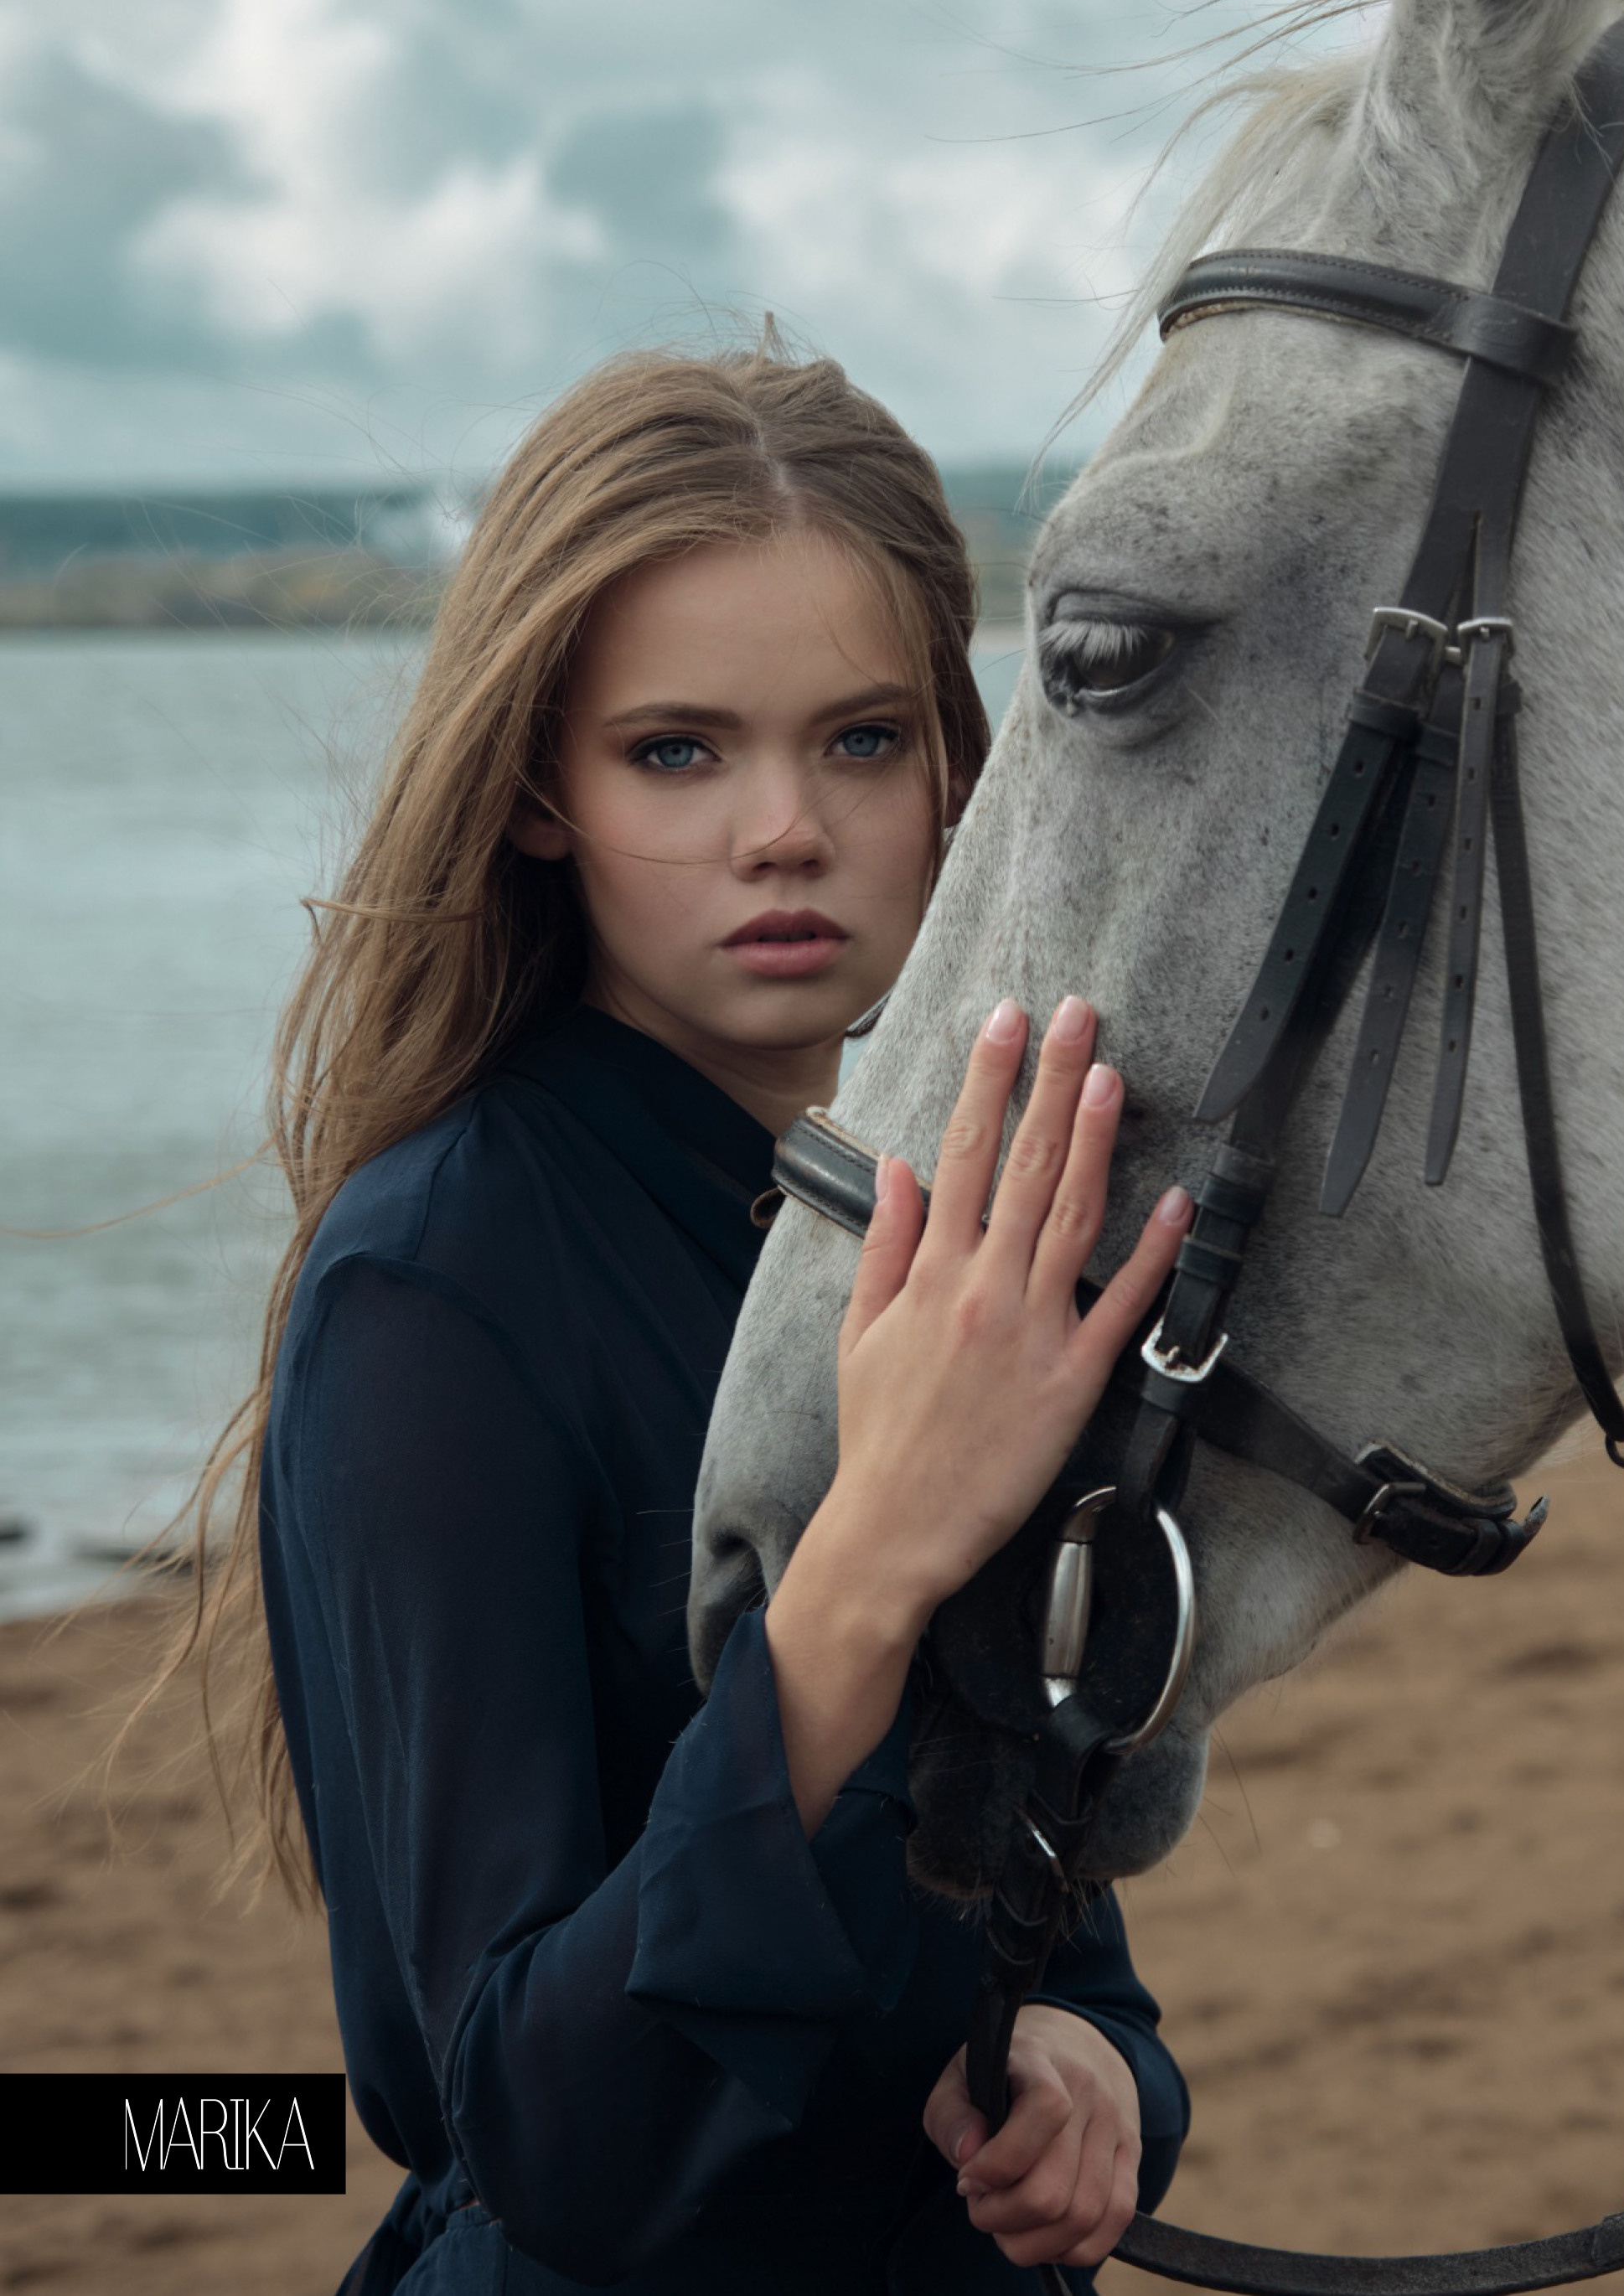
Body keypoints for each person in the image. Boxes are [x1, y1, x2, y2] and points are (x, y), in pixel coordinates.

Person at [184, 344, 1193, 2293]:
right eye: (677, 751)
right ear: (540, 790)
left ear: (959, 779)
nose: (782, 831)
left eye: (864, 741)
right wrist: (867, 1562)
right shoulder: (434, 1284)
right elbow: (532, 2123)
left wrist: (1095, 2072)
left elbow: (1043, 1918)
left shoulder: (923, 1257)